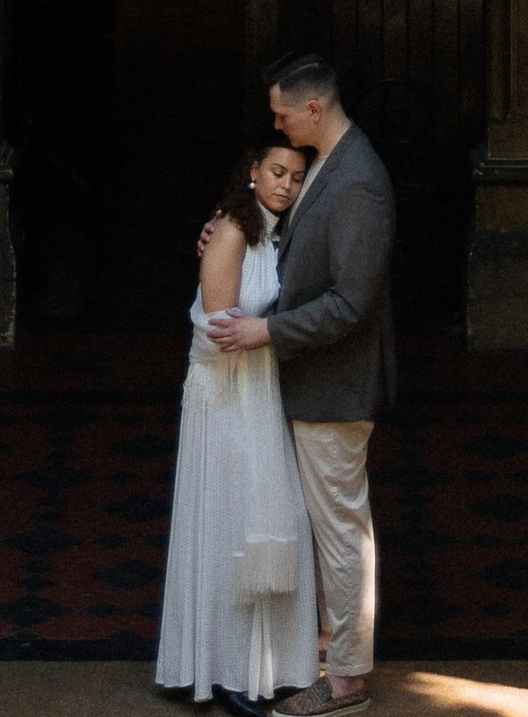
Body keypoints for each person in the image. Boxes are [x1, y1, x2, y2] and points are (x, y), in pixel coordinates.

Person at [205, 51, 396, 717]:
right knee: (328, 525)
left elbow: (352, 302)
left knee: (342, 530)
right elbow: (295, 249)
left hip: (335, 386)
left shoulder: (359, 182)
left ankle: (345, 680)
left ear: (314, 108)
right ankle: (326, 652)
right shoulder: (329, 170)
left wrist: (267, 334)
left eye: (283, 112)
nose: (278, 122)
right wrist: (230, 229)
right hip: (309, 383)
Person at [157, 135, 321, 713]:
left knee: (268, 520)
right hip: (226, 400)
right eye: (277, 171)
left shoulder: (274, 233)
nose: (286, 184)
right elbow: (221, 334)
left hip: (260, 394)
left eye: (298, 177)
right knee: (229, 522)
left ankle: (265, 665)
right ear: (253, 171)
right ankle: (223, 669)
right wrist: (276, 331)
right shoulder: (230, 230)